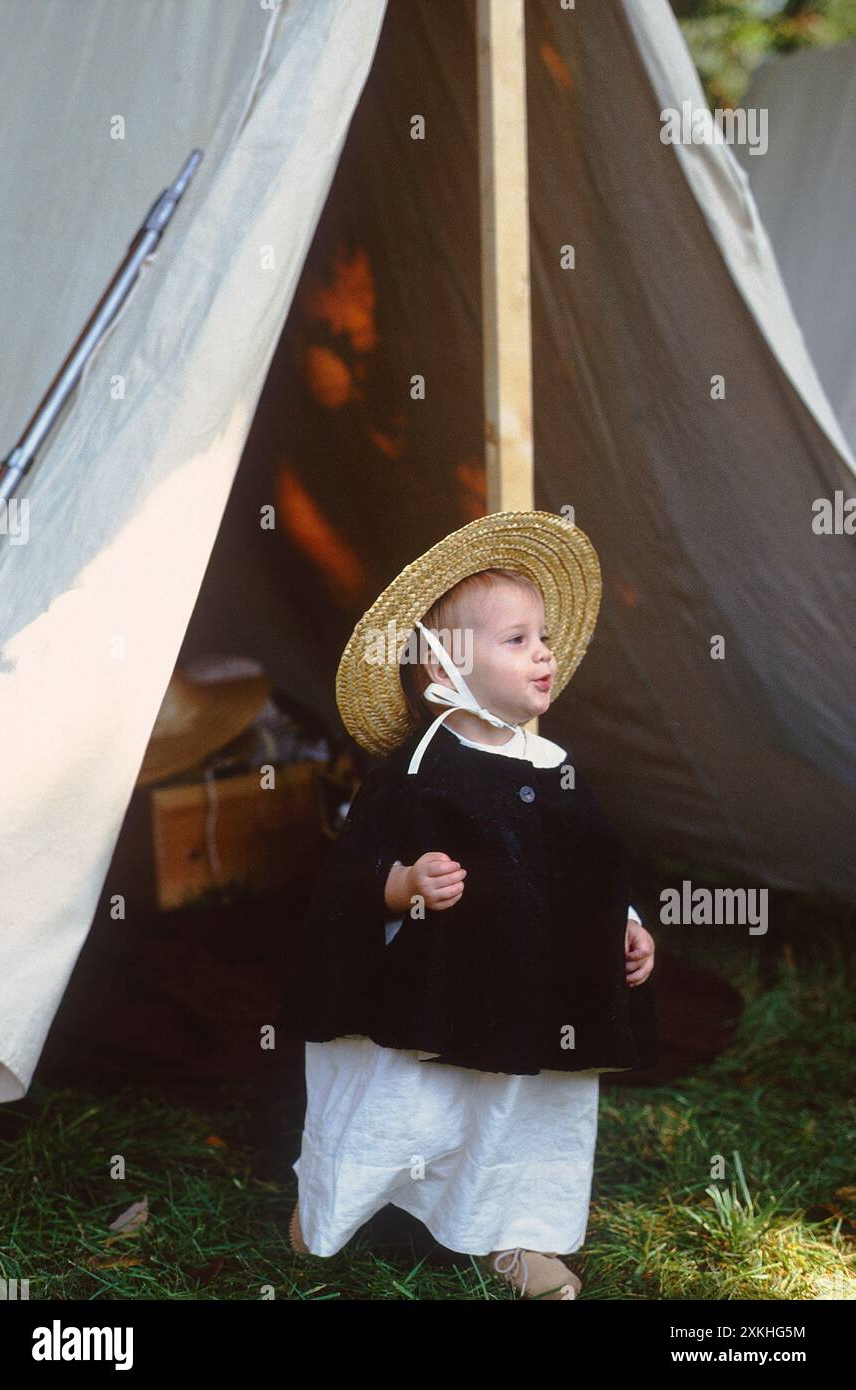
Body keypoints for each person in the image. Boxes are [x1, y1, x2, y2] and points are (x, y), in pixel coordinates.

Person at [274, 510, 658, 1300]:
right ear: (445, 670)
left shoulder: (555, 766)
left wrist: (624, 924)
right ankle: (333, 1206)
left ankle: (517, 1234)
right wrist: (403, 882)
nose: (544, 652)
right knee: (404, 1112)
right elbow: (351, 872)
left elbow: (594, 866)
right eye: (516, 639)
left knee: (525, 1113)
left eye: (543, 637)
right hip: (428, 996)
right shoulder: (415, 772)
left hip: (533, 998)